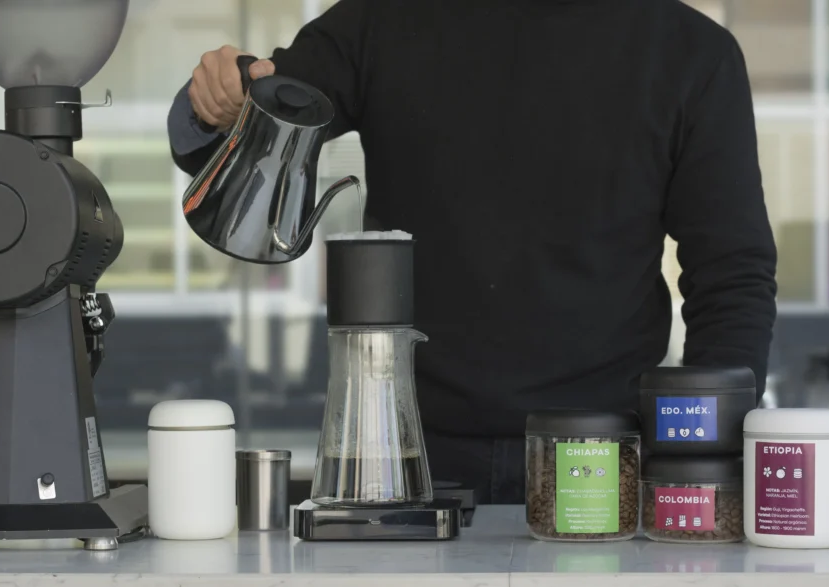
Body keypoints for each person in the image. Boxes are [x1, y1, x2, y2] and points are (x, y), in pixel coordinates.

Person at [167, 0, 778, 504]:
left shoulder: (690, 53)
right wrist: (215, 105)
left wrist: (710, 462)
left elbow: (732, 274)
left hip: (604, 453)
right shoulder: (383, 20)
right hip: (408, 455)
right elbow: (256, 120)